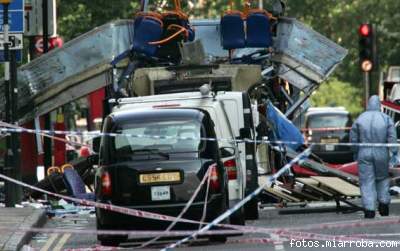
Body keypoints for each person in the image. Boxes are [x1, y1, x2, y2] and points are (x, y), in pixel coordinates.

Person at [350, 95, 397, 218]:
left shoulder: (360, 119)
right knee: (382, 178)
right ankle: (383, 203)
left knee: (366, 181)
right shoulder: (385, 118)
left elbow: (353, 139)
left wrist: (355, 151)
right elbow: (392, 137)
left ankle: (369, 209)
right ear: (379, 106)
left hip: (364, 152)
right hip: (381, 151)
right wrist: (394, 152)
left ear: (368, 104)